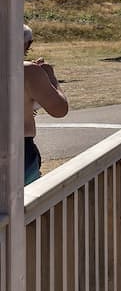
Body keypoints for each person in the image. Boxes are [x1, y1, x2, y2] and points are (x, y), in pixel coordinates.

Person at [22, 25, 68, 185]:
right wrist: (49, 76)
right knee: (26, 205)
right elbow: (59, 109)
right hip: (19, 151)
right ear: (27, 44)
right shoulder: (28, 71)